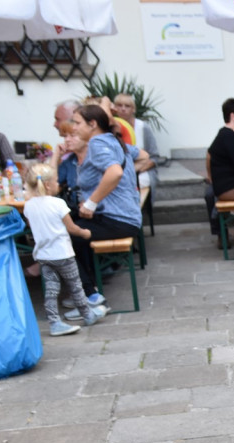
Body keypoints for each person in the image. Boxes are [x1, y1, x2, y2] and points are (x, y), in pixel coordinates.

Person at [69, 103, 146, 305]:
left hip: (117, 220)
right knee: (70, 226)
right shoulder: (113, 140)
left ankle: (88, 295)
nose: (74, 128)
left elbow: (115, 172)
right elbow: (143, 157)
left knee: (62, 237)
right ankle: (89, 286)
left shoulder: (97, 144)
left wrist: (92, 203)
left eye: (77, 123)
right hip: (126, 216)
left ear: (92, 124)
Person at [22, 163, 107, 336]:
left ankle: (54, 323)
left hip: (44, 256)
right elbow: (72, 228)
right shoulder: (58, 203)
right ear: (47, 185)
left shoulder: (28, 206)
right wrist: (85, 233)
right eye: (55, 180)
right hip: (63, 254)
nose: (57, 183)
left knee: (51, 291)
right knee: (75, 287)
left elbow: (32, 227)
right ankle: (87, 314)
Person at [114, 93, 163, 191]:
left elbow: (154, 157)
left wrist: (134, 171)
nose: (123, 109)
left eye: (127, 106)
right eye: (119, 105)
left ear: (133, 109)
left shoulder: (143, 128)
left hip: (141, 171)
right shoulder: (110, 127)